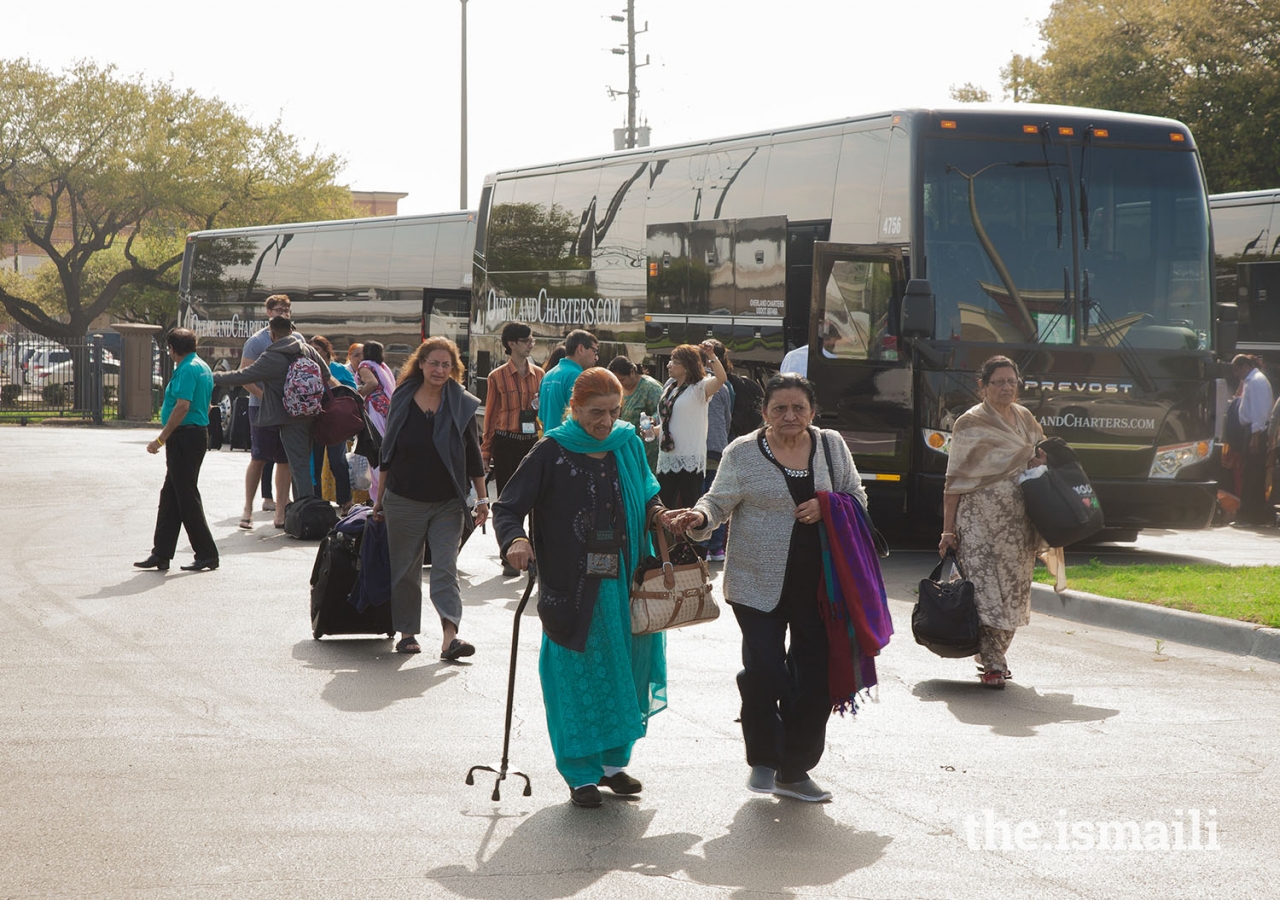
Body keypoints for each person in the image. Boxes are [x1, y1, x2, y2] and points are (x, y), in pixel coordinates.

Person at [665, 373, 866, 802]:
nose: (789, 416)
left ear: (813, 411)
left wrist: (827, 505)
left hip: (820, 587)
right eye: (779, 409)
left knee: (813, 679)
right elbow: (716, 502)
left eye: (798, 408)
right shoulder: (742, 451)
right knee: (764, 671)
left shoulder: (831, 445)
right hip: (756, 583)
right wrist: (700, 520)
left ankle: (794, 771)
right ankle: (763, 757)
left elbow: (856, 496)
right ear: (764, 413)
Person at [493, 367, 667, 809]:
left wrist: (661, 514)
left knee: (625, 668)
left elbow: (647, 492)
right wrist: (515, 539)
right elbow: (508, 507)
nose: (605, 421)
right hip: (572, 585)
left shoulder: (626, 442)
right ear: (573, 408)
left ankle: (612, 766)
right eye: (595, 413)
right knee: (576, 674)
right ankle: (580, 773)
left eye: (612, 411)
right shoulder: (550, 450)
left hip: (627, 576)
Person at [372, 337, 488, 659]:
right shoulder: (403, 397)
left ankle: (450, 638)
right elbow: (388, 451)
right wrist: (378, 500)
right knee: (406, 569)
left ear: (454, 369)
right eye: (433, 363)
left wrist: (481, 499)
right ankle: (408, 633)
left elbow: (473, 454)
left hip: (447, 502)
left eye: (446, 365)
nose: (439, 370)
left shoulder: (461, 402)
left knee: (445, 568)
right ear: (420, 364)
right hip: (404, 498)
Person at [938, 356, 1049, 689]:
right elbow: (954, 481)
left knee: (1012, 593)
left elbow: (1041, 457)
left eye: (1011, 382)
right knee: (985, 592)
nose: (1006, 388)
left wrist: (1039, 459)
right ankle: (994, 664)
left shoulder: (1025, 418)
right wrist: (948, 529)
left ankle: (994, 654)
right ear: (982, 386)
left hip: (1019, 526)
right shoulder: (969, 424)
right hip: (978, 524)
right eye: (998, 382)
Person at [213, 315, 331, 506]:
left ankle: (306, 510)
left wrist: (211, 376)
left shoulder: (272, 356)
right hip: (312, 414)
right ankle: (304, 507)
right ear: (291, 331)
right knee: (302, 463)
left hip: (290, 417)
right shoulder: (307, 350)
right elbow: (326, 374)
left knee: (298, 466)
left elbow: (242, 375)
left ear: (272, 334)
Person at [134, 328, 219, 573]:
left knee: (186, 498)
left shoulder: (187, 369)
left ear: (172, 348)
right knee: (171, 496)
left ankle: (206, 553)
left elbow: (182, 407)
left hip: (185, 436)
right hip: (194, 434)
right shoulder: (201, 365)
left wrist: (160, 439)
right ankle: (161, 552)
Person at [237, 294, 293, 529]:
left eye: (286, 310)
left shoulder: (295, 339)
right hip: (261, 409)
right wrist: (266, 397)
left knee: (284, 459)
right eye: (278, 309)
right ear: (268, 312)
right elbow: (244, 376)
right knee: (259, 458)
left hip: (289, 412)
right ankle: (248, 509)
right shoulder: (257, 341)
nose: (282, 313)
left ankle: (281, 511)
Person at [655, 342, 727, 509]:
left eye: (675, 361)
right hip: (667, 458)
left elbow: (721, 378)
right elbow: (672, 423)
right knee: (663, 509)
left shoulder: (700, 387)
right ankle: (665, 537)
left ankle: (693, 536)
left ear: (687, 366)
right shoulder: (670, 388)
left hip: (690, 459)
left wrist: (711, 356)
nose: (669, 364)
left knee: (690, 508)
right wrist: (653, 431)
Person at [482, 323, 544, 497]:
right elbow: (491, 416)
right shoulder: (496, 376)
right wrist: (486, 452)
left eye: (532, 340)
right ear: (512, 344)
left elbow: (543, 411)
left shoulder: (540, 375)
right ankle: (507, 525)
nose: (530, 345)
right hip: (506, 442)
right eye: (526, 341)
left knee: (532, 494)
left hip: (531, 441)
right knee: (507, 496)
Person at [309, 335, 355, 513]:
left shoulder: (338, 369)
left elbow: (352, 390)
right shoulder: (308, 369)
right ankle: (317, 501)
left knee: (338, 461)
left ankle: (345, 501)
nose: (315, 354)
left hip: (335, 423)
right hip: (316, 421)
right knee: (316, 463)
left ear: (326, 352)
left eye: (318, 350)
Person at [1232, 354, 1275, 527]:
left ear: (1244, 366)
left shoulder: (1256, 381)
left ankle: (1250, 515)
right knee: (1251, 473)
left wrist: (1255, 437)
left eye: (1236, 369)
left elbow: (1259, 411)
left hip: (1255, 432)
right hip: (1251, 431)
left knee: (1252, 475)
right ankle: (1253, 514)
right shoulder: (1251, 381)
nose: (1236, 374)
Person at [702, 340, 735, 562]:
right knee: (717, 498)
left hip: (700, 449)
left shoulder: (695, 383)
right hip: (718, 446)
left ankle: (702, 545)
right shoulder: (727, 387)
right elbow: (727, 418)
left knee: (701, 498)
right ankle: (717, 548)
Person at [608, 355, 663, 474]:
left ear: (632, 372)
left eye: (622, 380)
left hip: (647, 451)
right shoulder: (620, 389)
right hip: (625, 448)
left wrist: (652, 420)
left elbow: (663, 411)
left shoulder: (650, 388)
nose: (620, 384)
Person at [356, 341, 397, 499]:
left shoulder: (365, 366)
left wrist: (358, 394)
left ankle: (379, 493)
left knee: (375, 448)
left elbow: (372, 383)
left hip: (374, 408)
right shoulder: (383, 367)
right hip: (385, 407)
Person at [537, 329, 598, 430]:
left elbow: (542, 417)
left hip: (550, 440)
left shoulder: (548, 375)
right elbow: (582, 418)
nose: (596, 358)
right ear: (581, 349)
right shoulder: (578, 376)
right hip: (569, 442)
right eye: (594, 351)